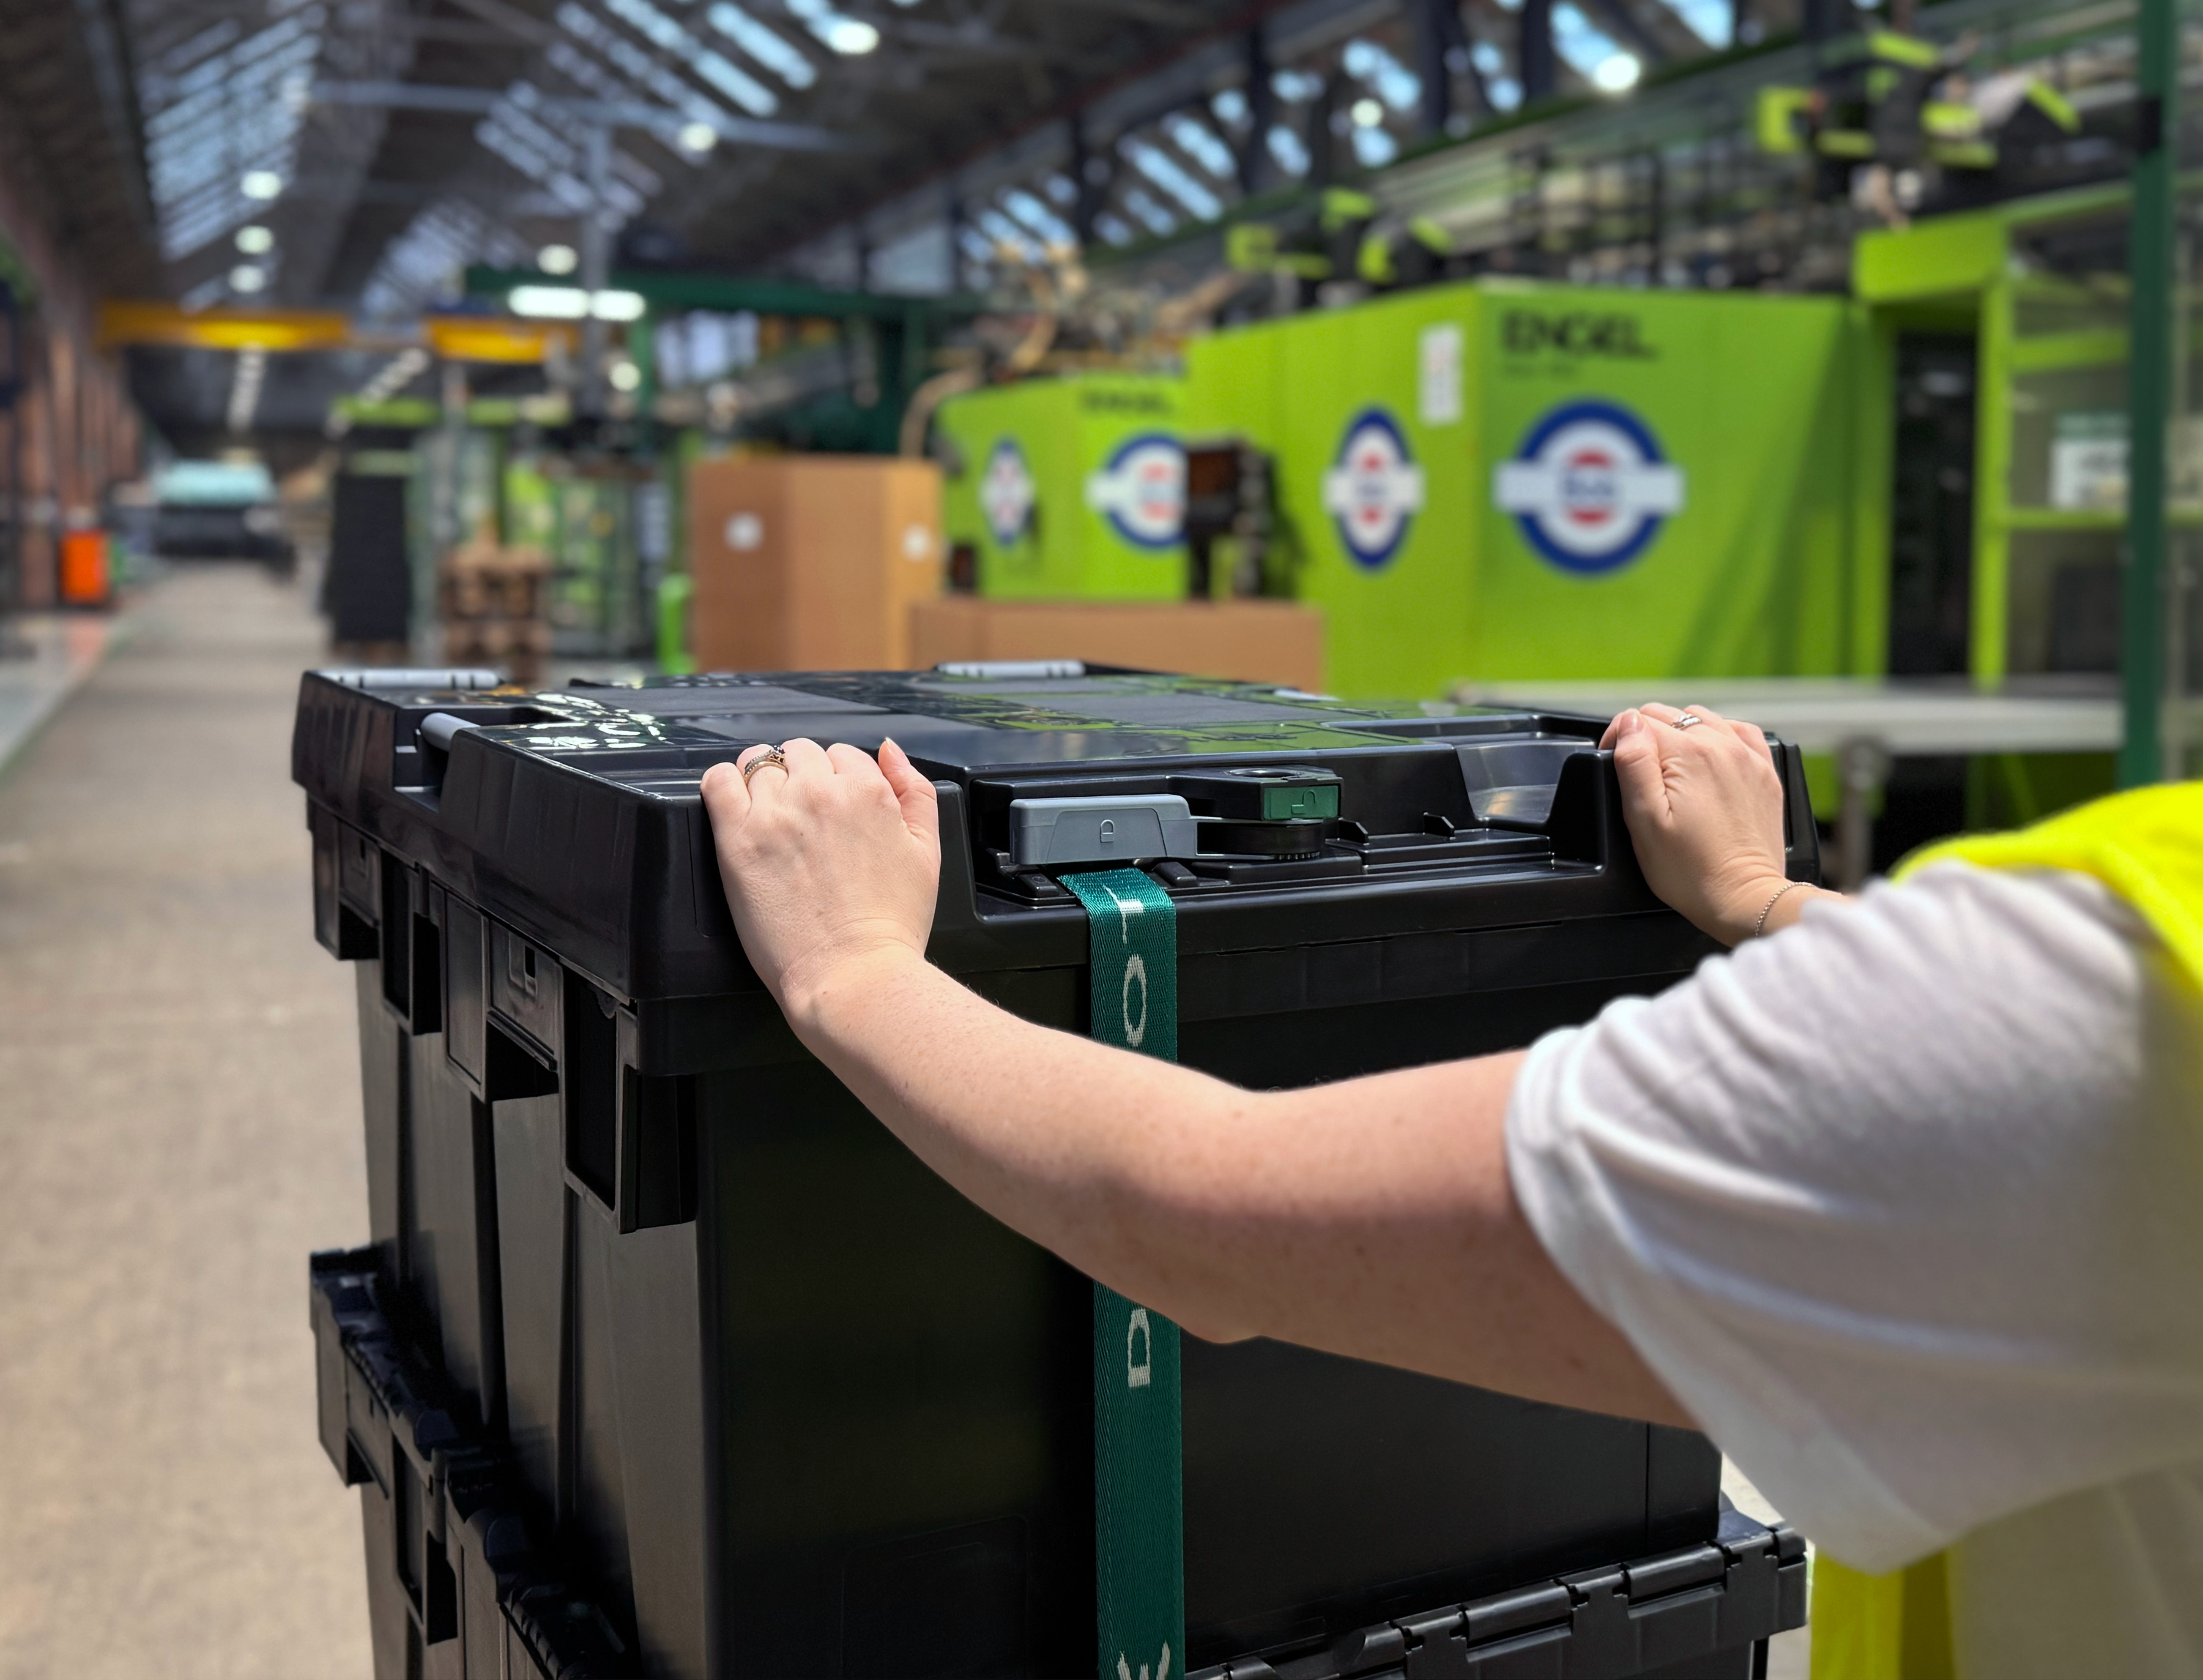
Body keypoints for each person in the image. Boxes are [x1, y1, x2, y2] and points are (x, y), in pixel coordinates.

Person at [699, 705, 2203, 1680]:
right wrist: (1765, 909)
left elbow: (1211, 1219)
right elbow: (2012, 1066)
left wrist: (851, 971)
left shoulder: (2127, 997)